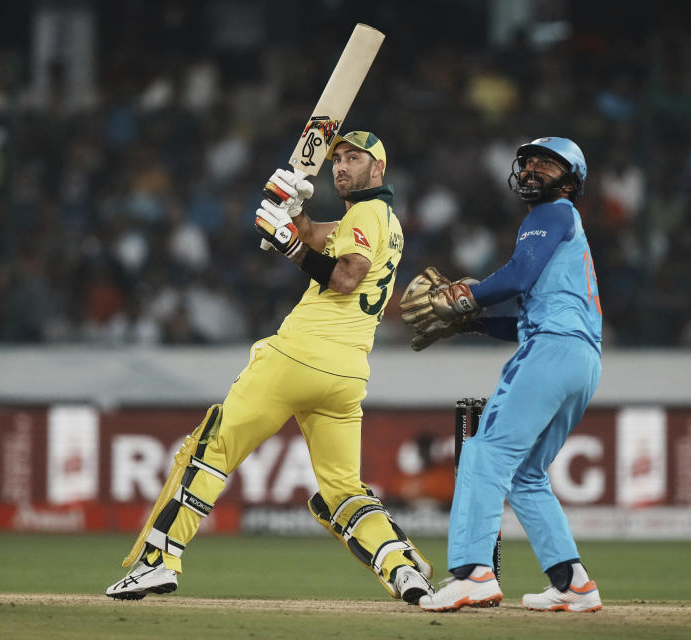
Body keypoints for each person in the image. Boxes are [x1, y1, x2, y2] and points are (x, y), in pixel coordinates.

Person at [105, 131, 435, 604]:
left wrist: (289, 247)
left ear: (377, 169)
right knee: (343, 492)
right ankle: (403, 570)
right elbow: (315, 236)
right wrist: (292, 211)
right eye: (337, 158)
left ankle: (159, 561)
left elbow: (344, 277)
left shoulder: (365, 213)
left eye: (353, 158)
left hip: (297, 356)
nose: (340, 166)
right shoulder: (382, 220)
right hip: (347, 375)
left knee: (211, 449)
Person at [400, 137, 604, 613]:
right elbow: (527, 317)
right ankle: (572, 582)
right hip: (581, 359)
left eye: (547, 165)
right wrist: (474, 322)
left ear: (570, 181)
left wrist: (464, 299)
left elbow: (516, 278)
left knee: (485, 453)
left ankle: (473, 574)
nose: (533, 169)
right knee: (528, 474)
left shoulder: (551, 214)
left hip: (551, 352)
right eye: (529, 162)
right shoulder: (563, 228)